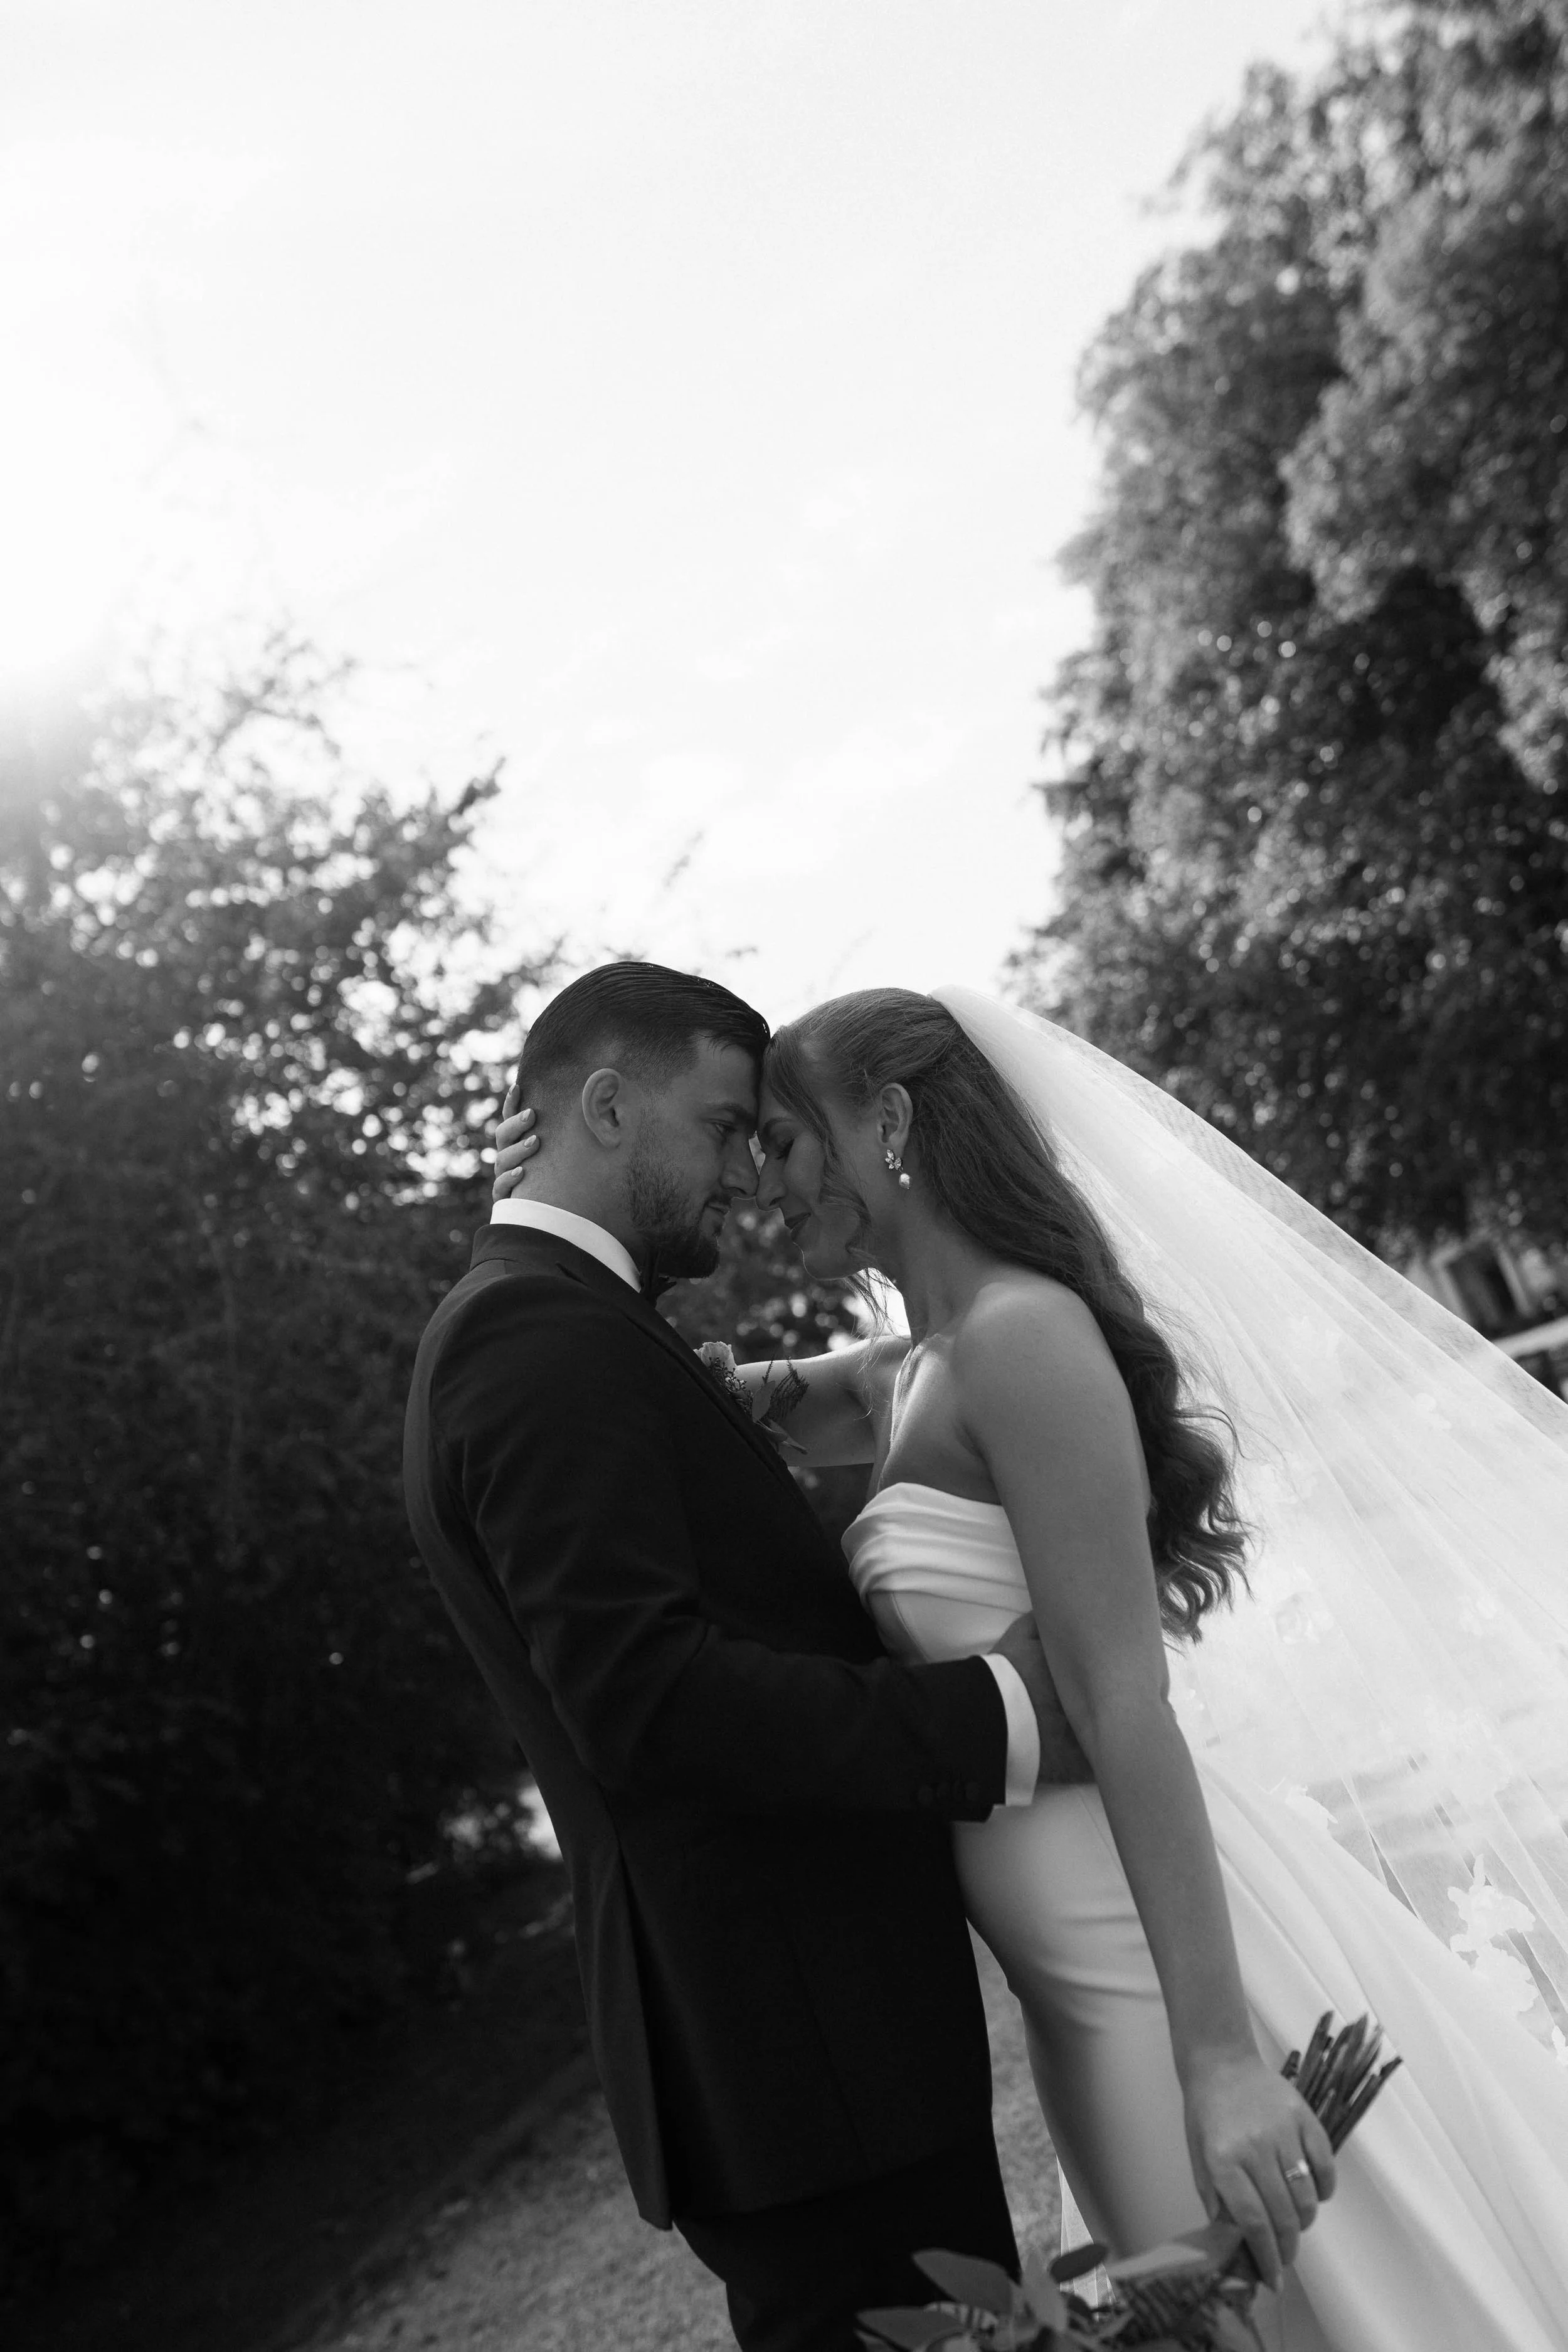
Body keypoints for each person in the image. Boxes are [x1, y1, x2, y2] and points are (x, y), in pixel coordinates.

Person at [494, 982, 1568, 2352]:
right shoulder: (906, 1372)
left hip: (1142, 1966)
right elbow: (644, 1380)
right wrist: (543, 1200)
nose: (761, 1183)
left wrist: (1218, 2059)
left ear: (888, 1123)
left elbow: (1126, 1708)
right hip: (1065, 1989)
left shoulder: (1024, 1341)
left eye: (784, 1140)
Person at [404, 961, 1096, 2352]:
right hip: (802, 2058)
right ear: (607, 1107)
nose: (746, 1172)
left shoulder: (567, 1322)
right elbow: (649, 1702)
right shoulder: (533, 1340)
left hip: (815, 2058)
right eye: (724, 1128)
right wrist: (1002, 1712)